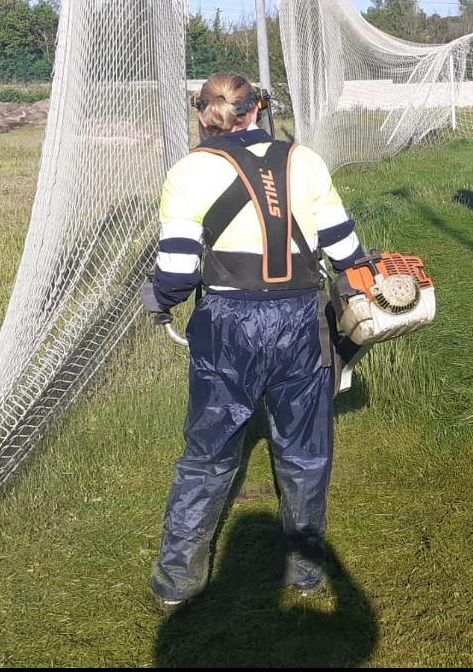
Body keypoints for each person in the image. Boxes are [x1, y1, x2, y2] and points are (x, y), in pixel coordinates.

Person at [141, 71, 365, 613]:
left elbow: (175, 269)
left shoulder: (192, 170)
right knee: (305, 453)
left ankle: (178, 579)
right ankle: (307, 571)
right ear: (259, 109)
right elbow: (347, 250)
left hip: (227, 324)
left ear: (203, 114)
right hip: (302, 321)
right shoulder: (303, 160)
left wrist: (159, 302)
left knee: (209, 452)